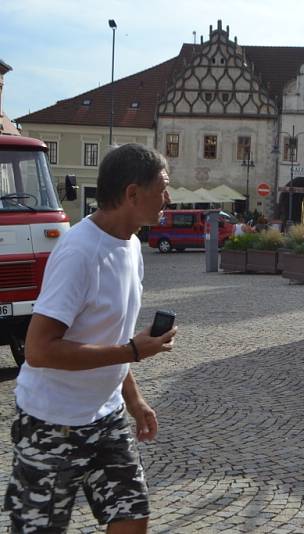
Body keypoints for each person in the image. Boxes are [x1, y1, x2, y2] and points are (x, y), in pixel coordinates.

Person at [4, 144, 178, 533]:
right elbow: (38, 350)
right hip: (52, 423)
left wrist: (134, 399)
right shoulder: (79, 252)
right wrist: (133, 351)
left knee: (132, 517)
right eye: (162, 187)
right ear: (132, 194)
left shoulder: (132, 246)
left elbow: (110, 336)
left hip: (106, 417)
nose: (168, 197)